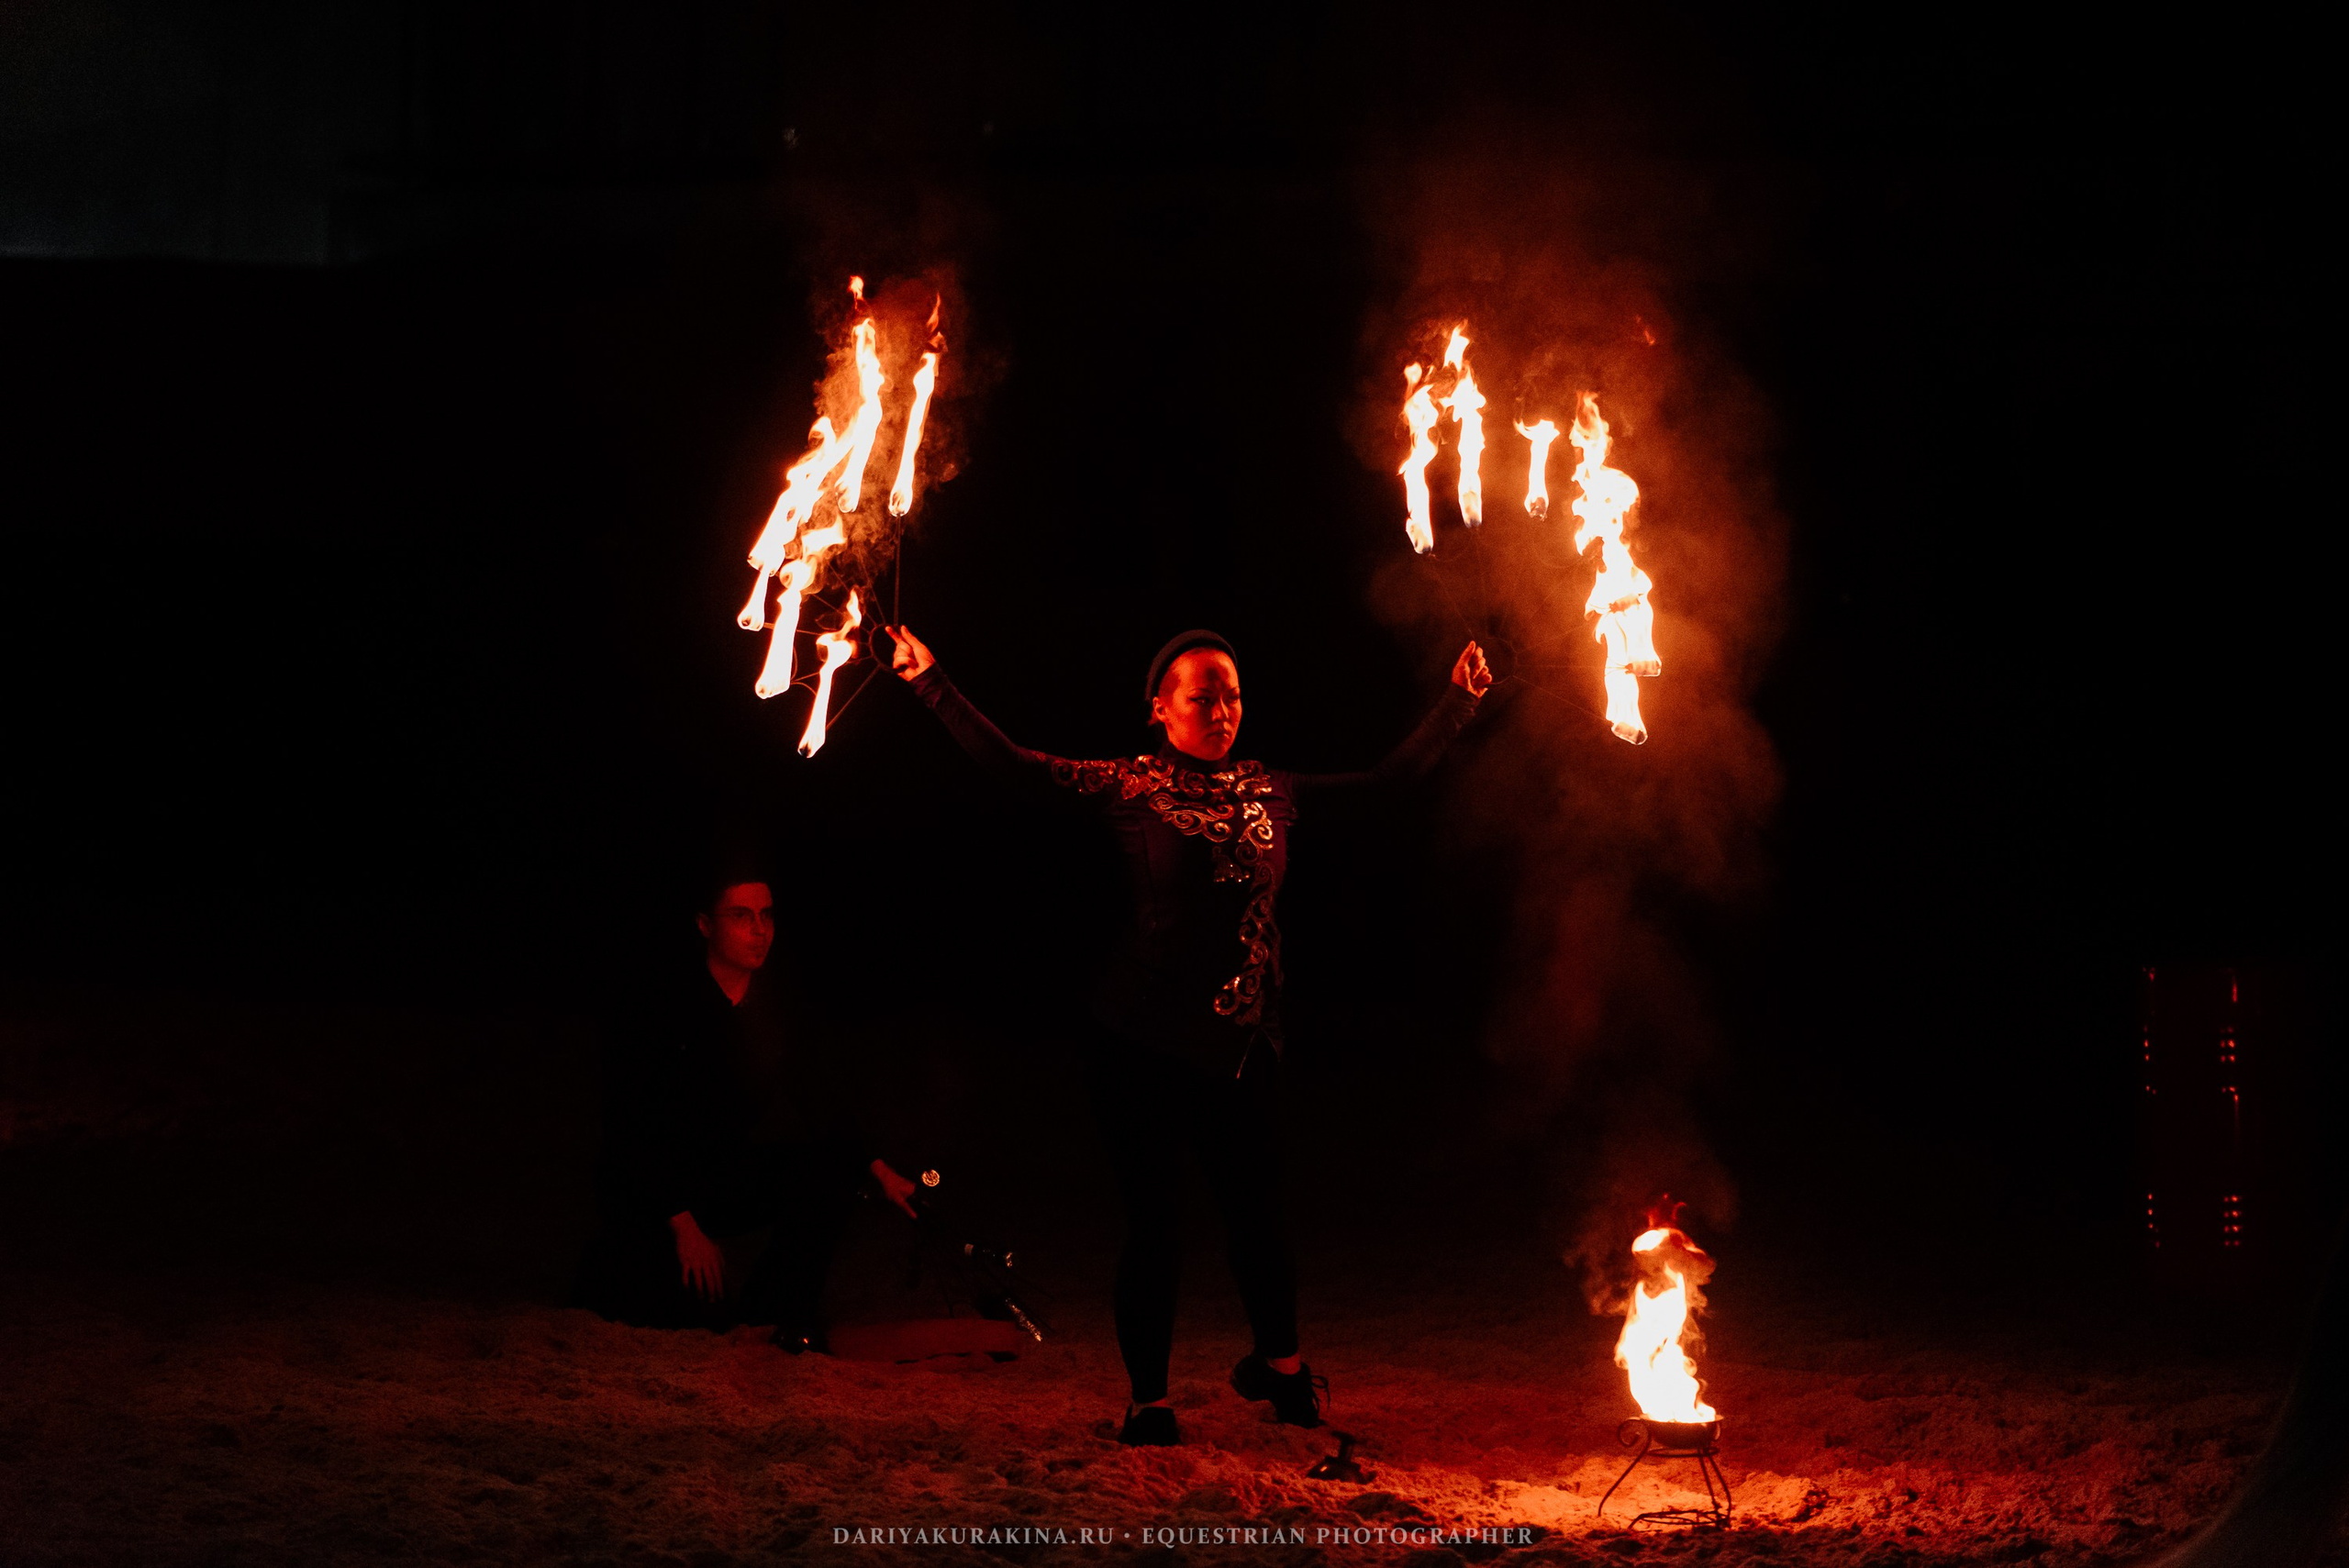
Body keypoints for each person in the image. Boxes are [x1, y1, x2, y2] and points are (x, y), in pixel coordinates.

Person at [887, 623, 1491, 1443]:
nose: (1222, 708)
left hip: (1244, 1044)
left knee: (1261, 1218)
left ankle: (1281, 1371)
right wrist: (931, 682)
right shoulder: (1126, 785)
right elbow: (1015, 766)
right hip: (1137, 1043)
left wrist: (1461, 700)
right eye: (1202, 695)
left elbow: (1387, 783)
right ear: (1159, 709)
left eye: (1232, 693)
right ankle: (1149, 1402)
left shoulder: (1275, 787)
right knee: (1155, 1223)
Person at [573, 871, 920, 1350]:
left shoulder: (775, 1012)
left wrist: (881, 1171)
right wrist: (685, 1226)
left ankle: (773, 1313)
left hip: (719, 1172)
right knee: (679, 1313)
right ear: (704, 925)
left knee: (826, 1171)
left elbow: (818, 1096)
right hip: (650, 1190)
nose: (759, 931)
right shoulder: (661, 1007)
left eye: (766, 916)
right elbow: (632, 1123)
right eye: (741, 916)